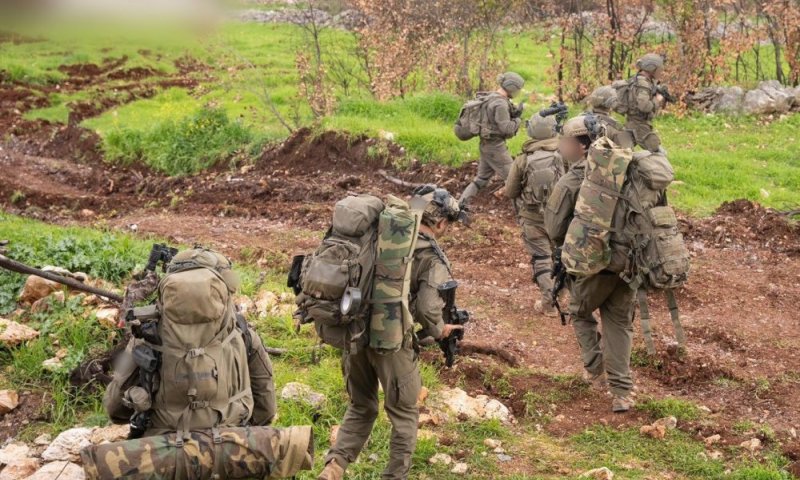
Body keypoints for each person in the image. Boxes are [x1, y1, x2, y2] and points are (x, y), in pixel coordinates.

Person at [319, 186, 466, 480]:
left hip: (355, 332)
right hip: (391, 342)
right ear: (440, 223)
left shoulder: (377, 236)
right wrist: (440, 330)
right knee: (404, 414)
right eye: (448, 224)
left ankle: (333, 468)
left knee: (361, 406)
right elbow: (427, 308)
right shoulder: (431, 257)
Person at [544, 115, 637, 413]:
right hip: (628, 262)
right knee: (619, 322)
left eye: (566, 141)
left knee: (579, 310)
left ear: (583, 146)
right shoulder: (627, 170)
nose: (561, 146)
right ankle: (622, 392)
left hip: (592, 266)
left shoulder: (573, 180)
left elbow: (554, 229)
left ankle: (594, 369)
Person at [504, 113, 562, 316]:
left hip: (533, 218)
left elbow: (510, 192)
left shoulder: (523, 159)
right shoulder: (565, 154)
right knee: (562, 257)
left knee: (542, 259)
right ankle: (567, 300)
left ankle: (549, 304)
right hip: (561, 218)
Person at [459, 72, 525, 205]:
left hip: (486, 145)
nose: (518, 92)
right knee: (515, 180)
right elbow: (506, 128)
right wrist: (518, 120)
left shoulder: (490, 97)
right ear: (512, 87)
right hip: (495, 148)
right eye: (518, 89)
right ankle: (525, 213)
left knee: (481, 180)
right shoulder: (500, 104)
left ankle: (458, 206)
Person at [623, 53, 666, 153]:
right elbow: (644, 106)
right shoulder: (643, 84)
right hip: (639, 125)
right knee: (659, 153)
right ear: (651, 68)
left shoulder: (638, 79)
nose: (660, 72)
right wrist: (657, 100)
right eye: (659, 69)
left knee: (624, 152)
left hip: (632, 122)